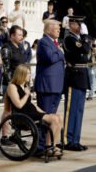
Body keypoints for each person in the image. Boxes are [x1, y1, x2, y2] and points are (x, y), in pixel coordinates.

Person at [5, 64, 63, 154]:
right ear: (22, 74)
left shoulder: (25, 87)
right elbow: (19, 105)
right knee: (54, 119)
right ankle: (48, 147)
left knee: (58, 117)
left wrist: (45, 113)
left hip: (32, 112)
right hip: (23, 115)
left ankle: (53, 145)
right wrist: (27, 94)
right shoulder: (12, 87)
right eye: (28, 74)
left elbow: (32, 104)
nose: (30, 76)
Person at [34, 19, 65, 152]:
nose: (59, 30)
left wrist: (58, 51)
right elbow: (50, 58)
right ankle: (41, 146)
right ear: (48, 30)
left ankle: (49, 144)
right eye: (57, 28)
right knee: (45, 118)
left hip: (56, 85)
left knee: (52, 117)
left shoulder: (55, 43)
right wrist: (60, 52)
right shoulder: (43, 42)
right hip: (47, 86)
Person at [63, 16, 90, 151]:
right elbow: (85, 50)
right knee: (70, 110)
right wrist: (85, 36)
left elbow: (85, 54)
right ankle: (68, 140)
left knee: (79, 110)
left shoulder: (78, 39)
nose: (80, 26)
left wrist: (84, 39)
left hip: (82, 76)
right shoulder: (69, 39)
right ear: (71, 24)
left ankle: (76, 140)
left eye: (81, 24)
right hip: (73, 77)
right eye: (78, 23)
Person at [0, 25, 26, 145]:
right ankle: (4, 136)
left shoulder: (20, 47)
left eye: (21, 35)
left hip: (20, 83)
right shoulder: (6, 48)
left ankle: (16, 135)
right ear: (12, 36)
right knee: (8, 111)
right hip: (10, 84)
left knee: (19, 111)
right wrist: (12, 85)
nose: (21, 37)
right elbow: (6, 68)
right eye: (19, 35)